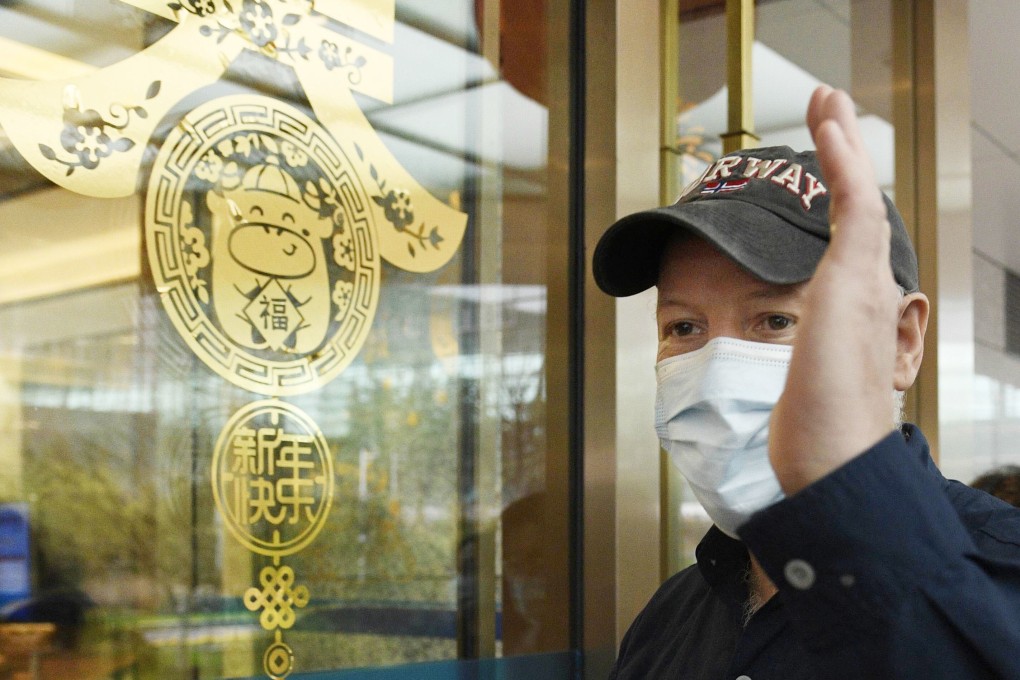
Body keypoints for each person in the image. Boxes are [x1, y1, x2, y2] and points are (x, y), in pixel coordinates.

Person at [593, 85, 1020, 679]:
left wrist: (848, 498)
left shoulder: (1002, 576)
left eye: (775, 321)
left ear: (902, 342)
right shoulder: (670, 616)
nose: (718, 369)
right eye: (684, 326)